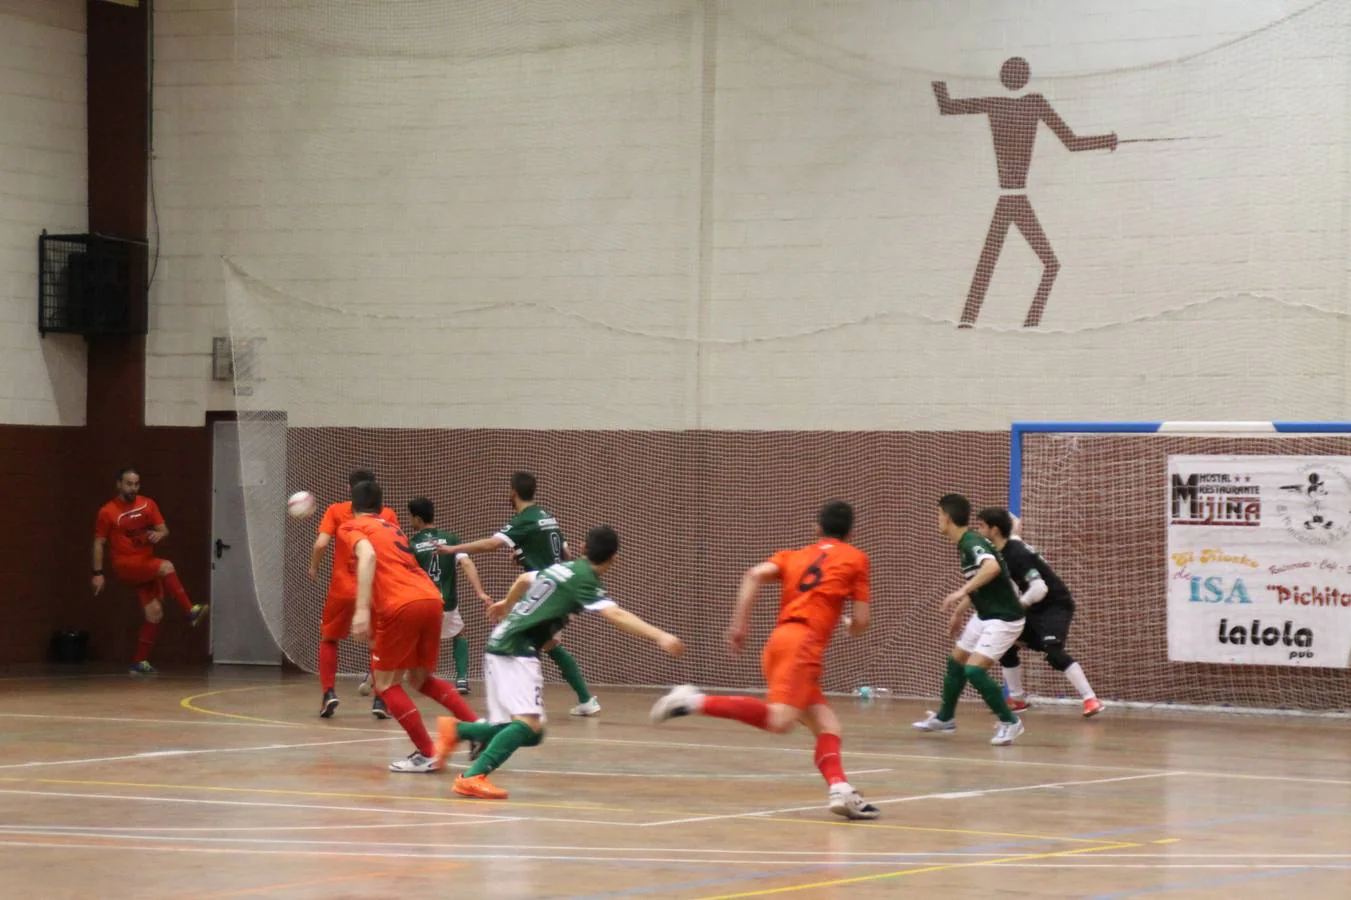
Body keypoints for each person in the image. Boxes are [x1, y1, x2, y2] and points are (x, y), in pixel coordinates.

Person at [650, 500, 880, 821]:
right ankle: (694, 701)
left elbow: (753, 575)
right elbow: (861, 622)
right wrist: (850, 625)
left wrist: (739, 623)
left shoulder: (794, 555)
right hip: (804, 646)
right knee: (780, 721)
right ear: (851, 532)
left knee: (827, 724)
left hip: (779, 642)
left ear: (817, 529)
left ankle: (840, 788)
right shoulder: (856, 559)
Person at [433, 525, 683, 799]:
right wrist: (660, 635)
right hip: (515, 649)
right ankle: (471, 777)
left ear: (582, 548)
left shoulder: (563, 568)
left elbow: (525, 579)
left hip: (506, 645)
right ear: (615, 559)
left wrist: (507, 604)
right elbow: (616, 615)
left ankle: (458, 730)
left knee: (531, 732)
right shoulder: (585, 579)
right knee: (527, 725)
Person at [342, 480, 483, 773]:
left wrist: (361, 612)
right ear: (381, 506)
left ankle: (427, 751)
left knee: (386, 684)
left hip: (401, 604)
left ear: (352, 505)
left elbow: (368, 557)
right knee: (420, 679)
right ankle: (476, 726)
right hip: (432, 600)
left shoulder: (353, 528)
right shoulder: (394, 528)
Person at [440, 472, 600, 716]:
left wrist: (454, 548)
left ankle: (520, 704)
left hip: (544, 592)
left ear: (512, 491)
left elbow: (491, 544)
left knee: (512, 641)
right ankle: (583, 700)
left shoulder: (524, 520)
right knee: (546, 644)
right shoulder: (548, 516)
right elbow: (564, 554)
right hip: (554, 588)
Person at [913, 493, 1026, 745]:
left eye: (939, 515)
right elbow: (981, 582)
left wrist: (960, 592)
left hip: (1004, 618)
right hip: (984, 614)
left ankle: (1011, 722)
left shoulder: (971, 542)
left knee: (974, 670)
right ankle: (945, 718)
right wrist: (958, 612)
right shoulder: (964, 543)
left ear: (948, 517)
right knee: (956, 662)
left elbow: (992, 568)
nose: (937, 520)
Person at [974, 507, 1103, 717]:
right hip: (1034, 606)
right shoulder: (1005, 547)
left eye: (981, 526)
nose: (977, 530)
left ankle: (1090, 699)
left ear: (995, 530)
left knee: (1053, 651)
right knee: (1006, 644)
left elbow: (1039, 588)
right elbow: (1014, 526)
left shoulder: (1016, 553)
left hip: (1055, 605)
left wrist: (1018, 607)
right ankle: (1017, 699)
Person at [92, 468, 210, 674]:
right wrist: (98, 573)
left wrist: (159, 535)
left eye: (136, 484)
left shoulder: (148, 504)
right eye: (129, 484)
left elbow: (164, 529)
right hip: (126, 564)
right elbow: (99, 543)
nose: (133, 488)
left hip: (146, 563)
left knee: (154, 613)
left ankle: (139, 662)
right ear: (118, 484)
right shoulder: (107, 511)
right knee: (166, 566)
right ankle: (190, 610)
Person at [308, 467, 399, 719]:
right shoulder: (387, 513)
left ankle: (328, 693)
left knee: (329, 639)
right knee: (376, 642)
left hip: (341, 589)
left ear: (350, 489)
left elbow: (321, 543)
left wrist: (314, 567)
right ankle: (380, 700)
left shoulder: (336, 511)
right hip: (373, 589)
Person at [407, 496, 491, 694]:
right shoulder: (451, 540)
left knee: (406, 639)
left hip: (421, 603)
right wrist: (480, 592)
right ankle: (461, 679)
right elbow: (467, 564)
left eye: (411, 517)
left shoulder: (411, 544)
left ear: (417, 519)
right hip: (447, 603)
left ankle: (385, 679)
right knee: (459, 634)